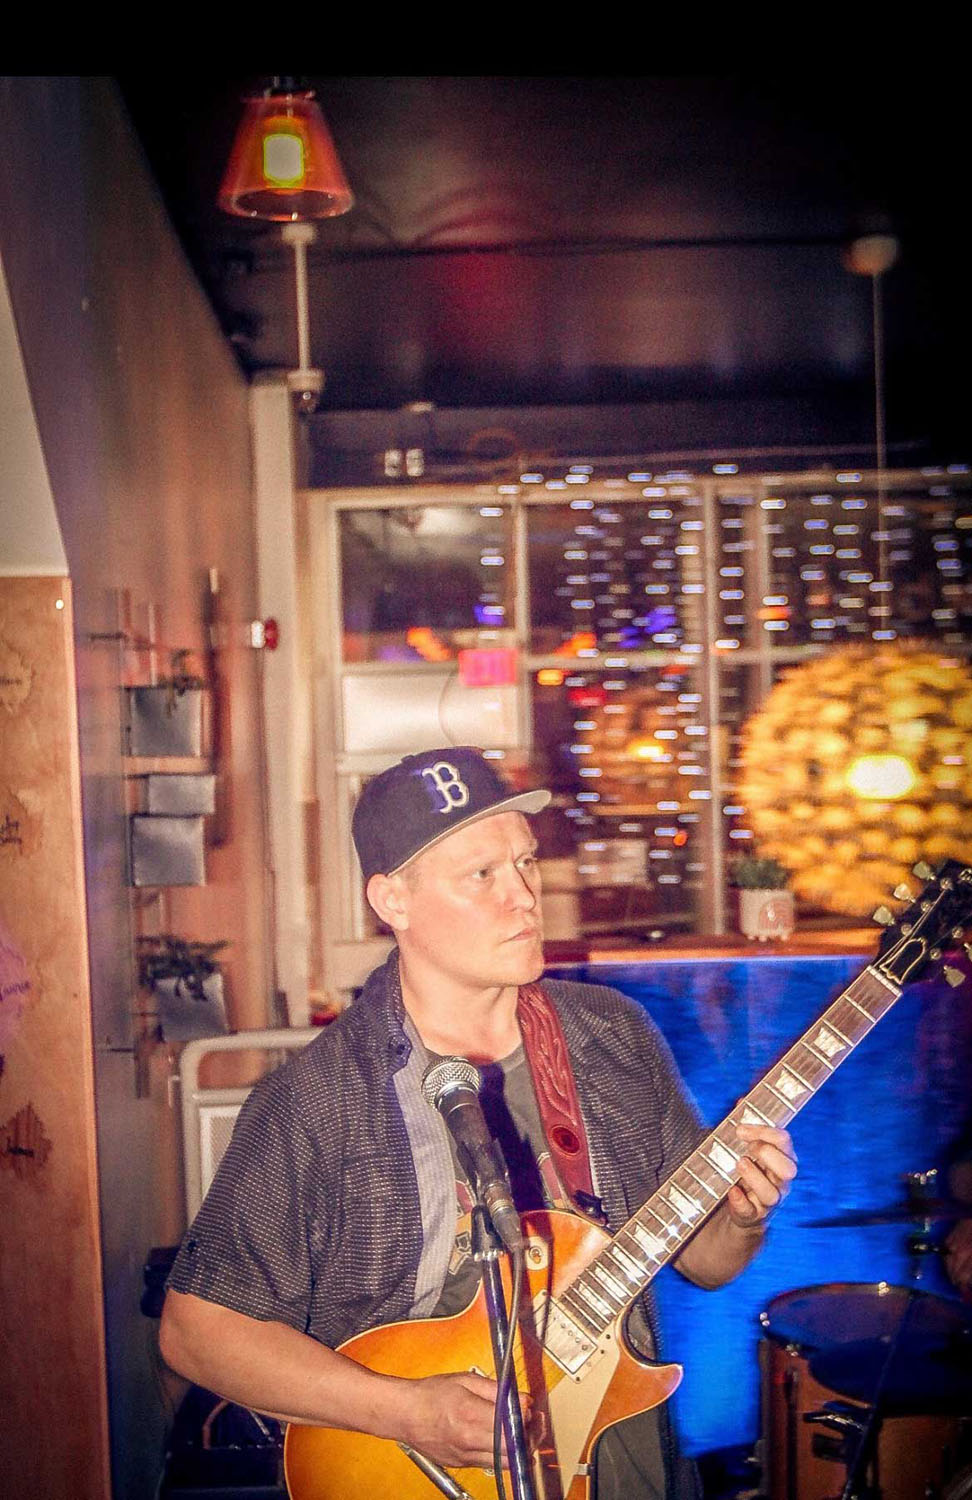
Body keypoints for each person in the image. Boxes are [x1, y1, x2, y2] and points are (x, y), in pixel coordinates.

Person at [160, 746, 797, 1498]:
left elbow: (706, 1263)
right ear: (392, 901)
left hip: (628, 1469)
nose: (523, 897)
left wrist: (743, 1216)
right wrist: (408, 1412)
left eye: (525, 864)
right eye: (482, 874)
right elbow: (197, 1333)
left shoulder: (612, 1036)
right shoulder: (317, 1101)